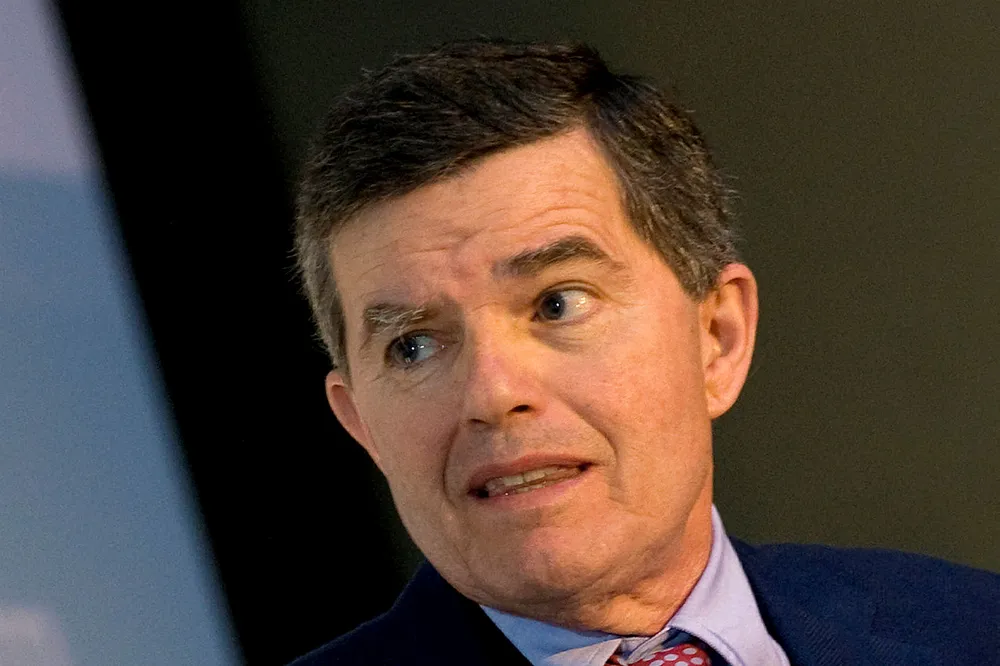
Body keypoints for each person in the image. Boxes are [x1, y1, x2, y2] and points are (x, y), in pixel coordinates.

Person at [289, 39, 999, 665]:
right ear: (362, 425)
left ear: (717, 338)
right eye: (413, 346)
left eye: (558, 303)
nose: (493, 393)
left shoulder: (974, 629)